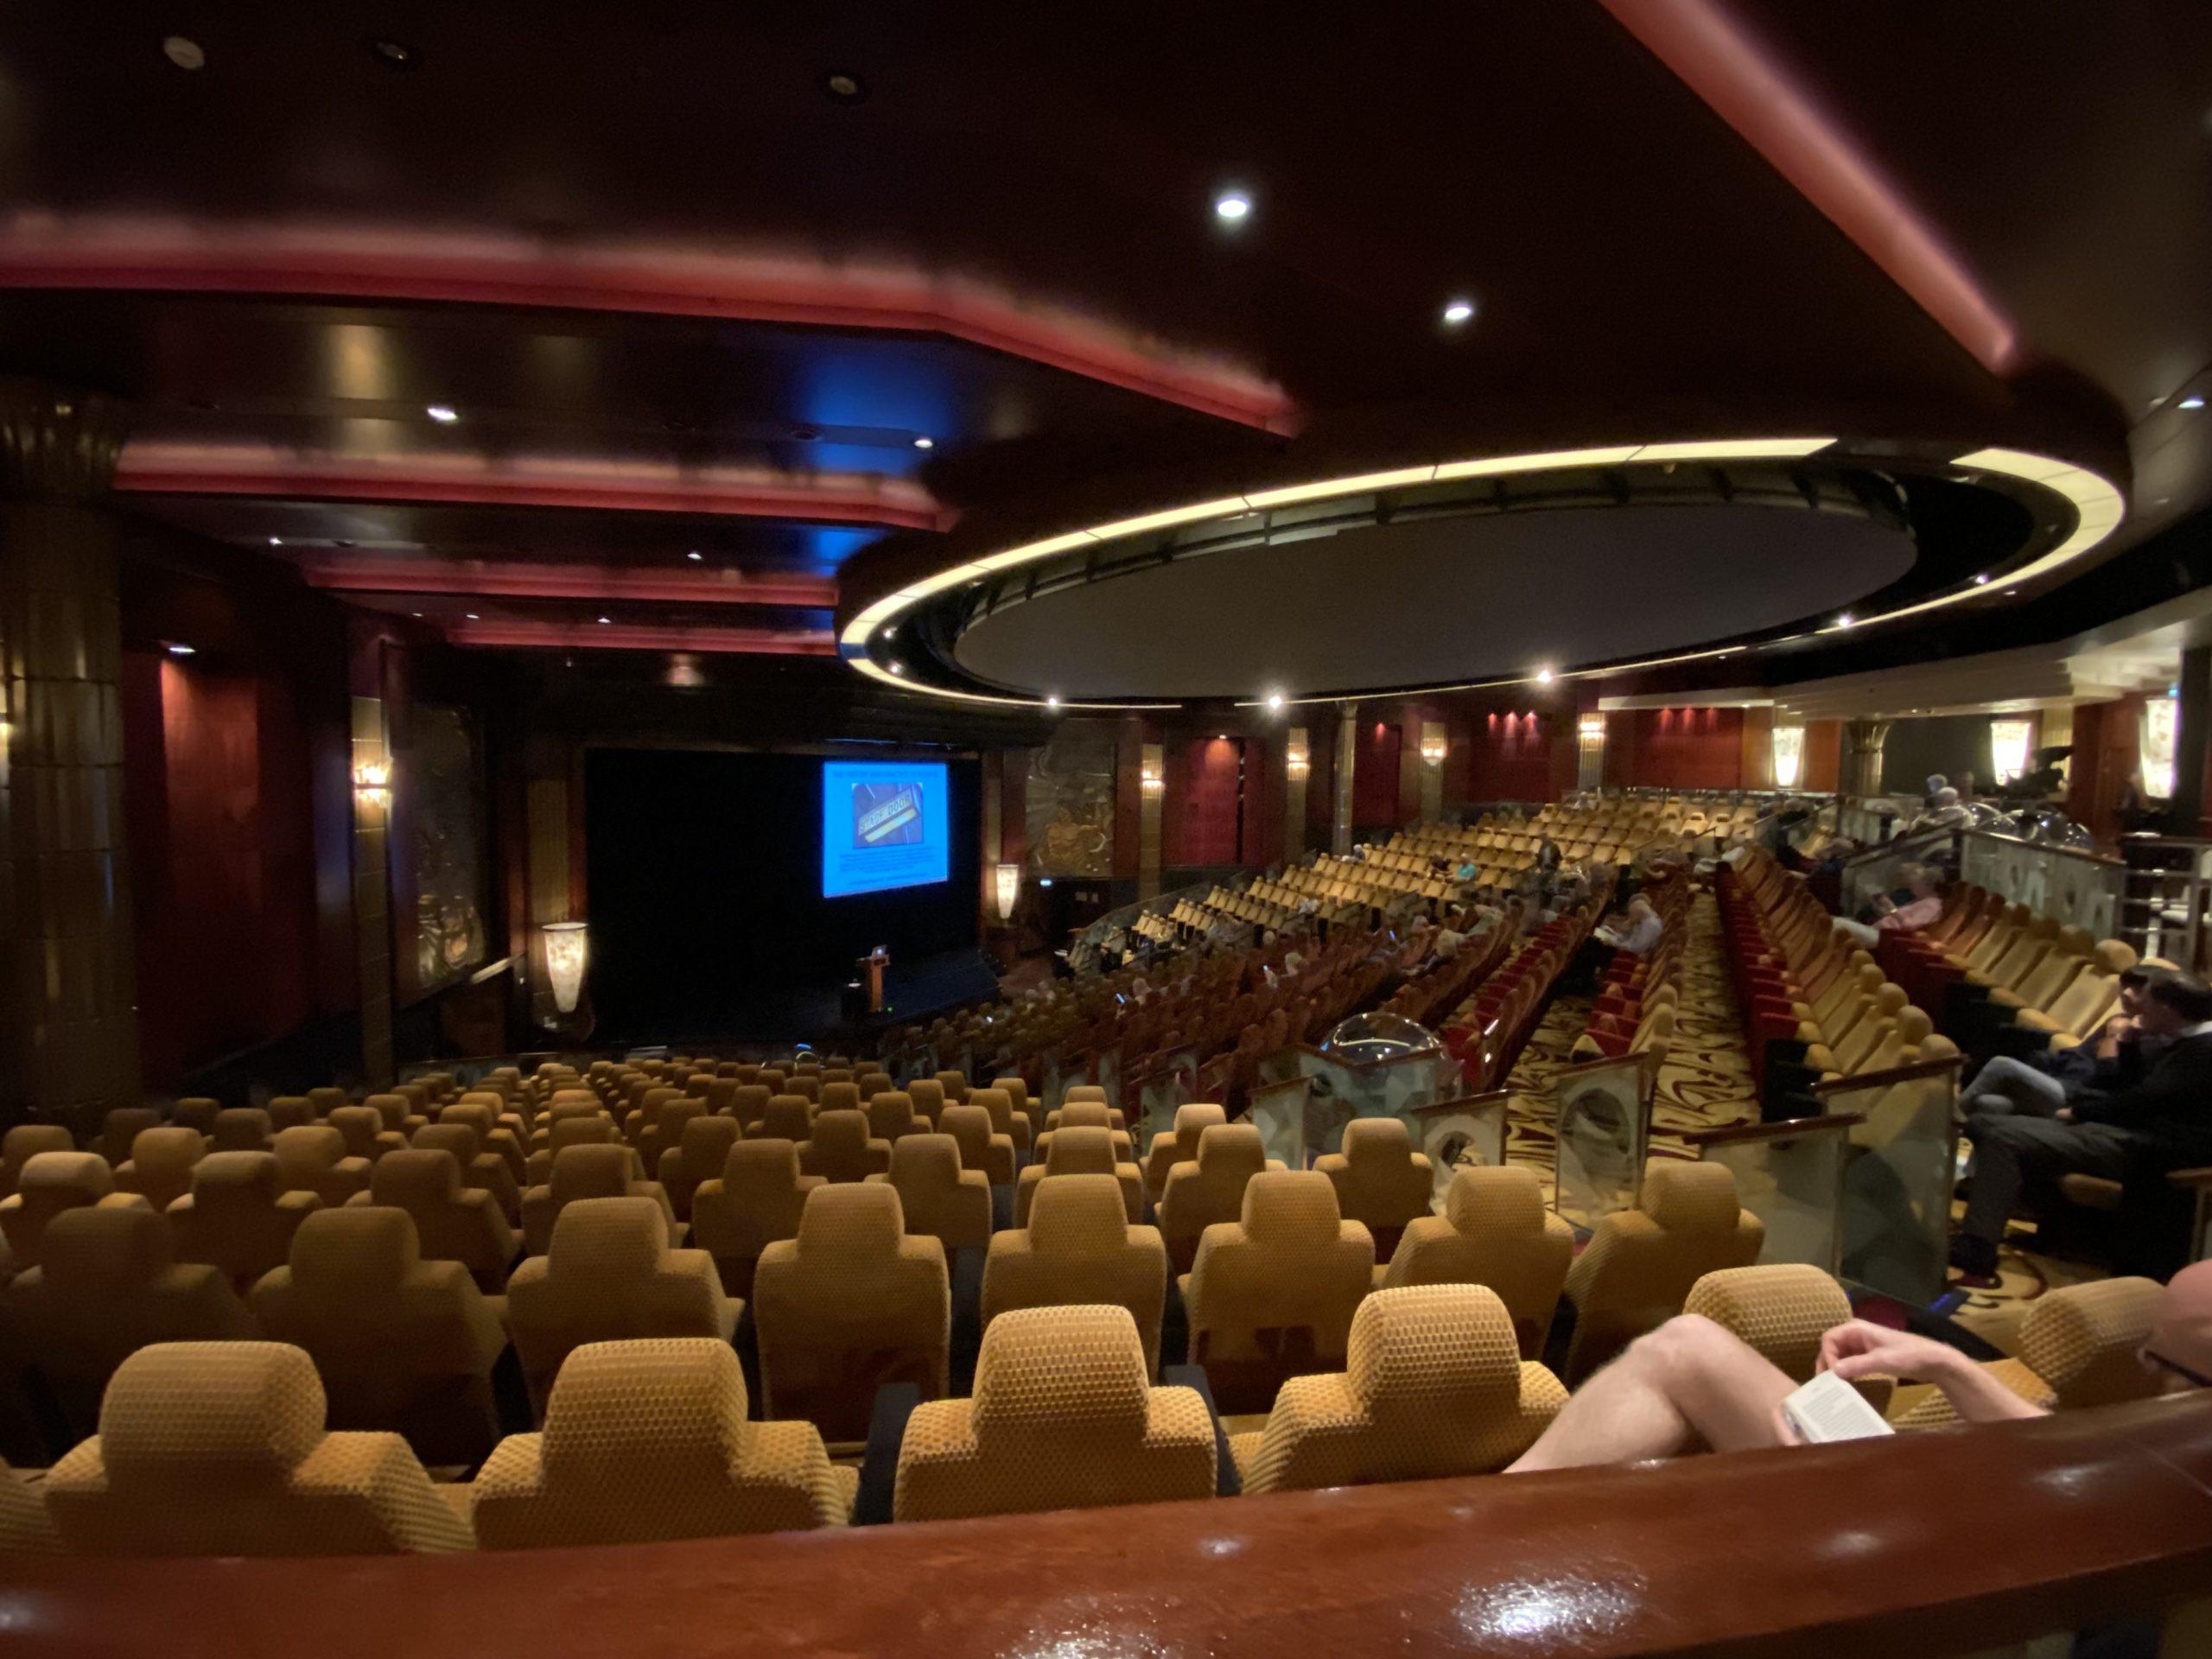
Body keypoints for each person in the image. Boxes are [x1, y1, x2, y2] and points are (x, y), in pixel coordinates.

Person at [1509, 1260, 2212, 1474]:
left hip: (1926, 1548)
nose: (2147, 1372)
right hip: (1959, 1502)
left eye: (2160, 1361)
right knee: (1686, 1343)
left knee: (1684, 1346)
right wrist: (1949, 1365)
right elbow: (2071, 1462)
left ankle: (1481, 1526)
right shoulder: (2170, 1456)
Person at [1952, 972, 2212, 1284]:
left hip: (2149, 1151)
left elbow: (2144, 1100)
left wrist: (2077, 1112)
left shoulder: (2202, 1050)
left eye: (2149, 1001)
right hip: (2126, 1134)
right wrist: (2126, 1046)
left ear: (2169, 1009)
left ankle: (1976, 1249)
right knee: (1986, 1120)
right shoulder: (2181, 1041)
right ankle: (2010, 1223)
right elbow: (2128, 1087)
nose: (2141, 1008)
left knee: (2002, 1134)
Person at [1958, 965, 2167, 1128]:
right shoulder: (2118, 1018)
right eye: (2125, 986)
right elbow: (2078, 1053)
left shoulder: (2151, 1035)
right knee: (1988, 1103)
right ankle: (1966, 1174)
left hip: (2082, 1101)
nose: (2126, 994)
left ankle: (1943, 1120)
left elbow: (2109, 1079)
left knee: (2001, 1064)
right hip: (2062, 1083)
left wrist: (2115, 1036)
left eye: (2137, 990)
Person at [1832, 866, 1946, 948]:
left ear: (1928, 885)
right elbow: (1895, 918)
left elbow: (1910, 926)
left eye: (1919, 882)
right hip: (1877, 931)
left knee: (1835, 924)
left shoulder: (1932, 905)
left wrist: (1891, 906)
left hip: (1885, 939)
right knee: (1832, 921)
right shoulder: (1921, 901)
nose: (1914, 884)